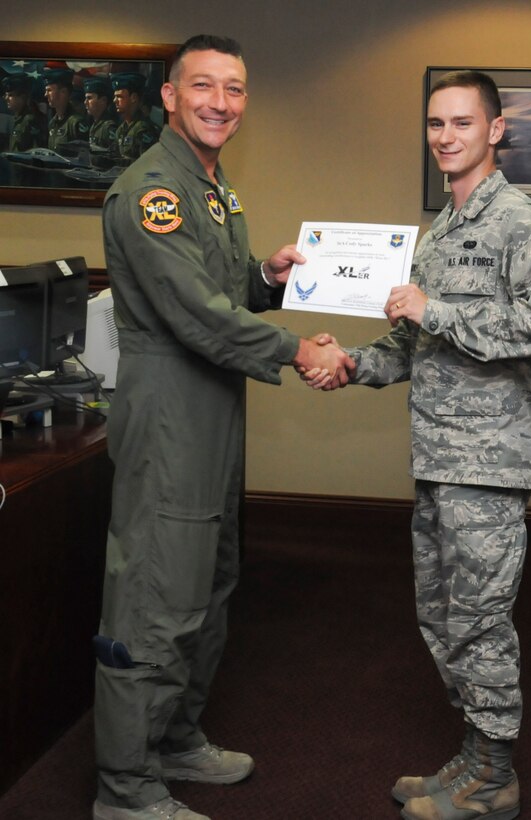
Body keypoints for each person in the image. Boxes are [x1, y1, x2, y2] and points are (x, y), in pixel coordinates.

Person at [92, 34, 353, 820]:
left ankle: (173, 739)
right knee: (154, 597)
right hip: (172, 409)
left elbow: (222, 289)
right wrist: (295, 346)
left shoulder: (212, 187)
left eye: (234, 90)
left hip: (214, 405)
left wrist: (266, 280)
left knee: (209, 580)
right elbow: (194, 314)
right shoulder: (152, 192)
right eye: (203, 87)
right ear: (168, 96)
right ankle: (126, 786)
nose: (220, 102)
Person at [306, 70, 531, 820]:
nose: (445, 137)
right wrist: (353, 364)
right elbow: (411, 339)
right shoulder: (444, 230)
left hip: (487, 461)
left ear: (495, 131)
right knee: (443, 615)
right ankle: (475, 753)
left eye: (461, 123)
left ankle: (495, 779)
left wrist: (439, 310)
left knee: (481, 620)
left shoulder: (522, 222)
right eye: (435, 124)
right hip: (436, 458)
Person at [111, 72, 160, 163]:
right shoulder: (121, 129)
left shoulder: (144, 129)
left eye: (119, 96)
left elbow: (148, 165)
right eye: (115, 96)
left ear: (133, 98)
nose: (115, 101)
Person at [44, 67, 88, 150]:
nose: (45, 94)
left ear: (63, 92)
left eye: (49, 90)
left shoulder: (76, 123)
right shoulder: (52, 123)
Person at [2, 74, 47, 151]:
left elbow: (37, 152)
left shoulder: (31, 120)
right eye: (6, 95)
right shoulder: (20, 119)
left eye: (10, 95)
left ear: (22, 97)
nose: (6, 99)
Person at [83, 77, 118, 153]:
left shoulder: (109, 127)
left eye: (89, 98)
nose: (85, 102)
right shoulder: (94, 125)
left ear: (103, 100)